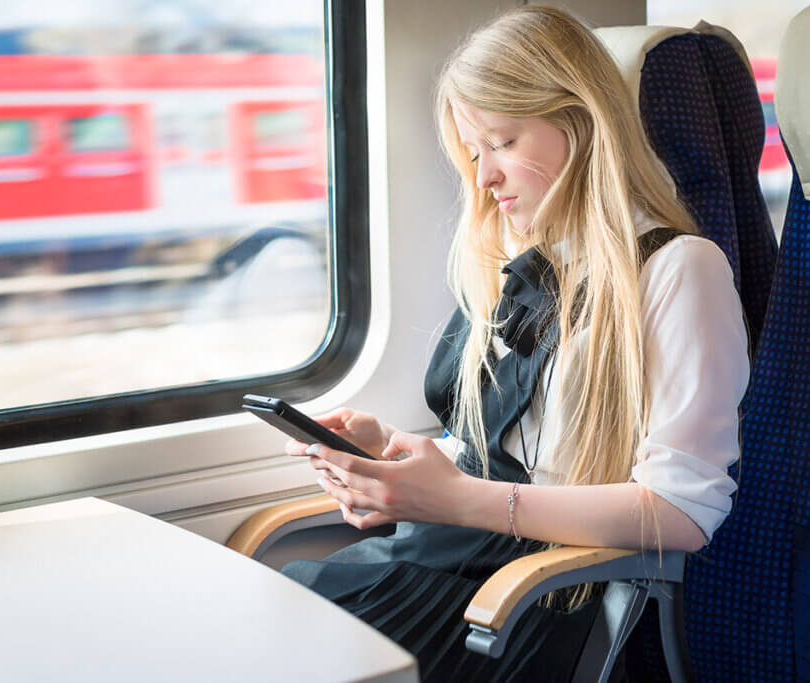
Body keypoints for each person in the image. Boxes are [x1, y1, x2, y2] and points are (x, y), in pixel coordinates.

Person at [280, 5, 749, 681]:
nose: (483, 177)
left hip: (529, 599)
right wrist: (398, 455)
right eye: (474, 154)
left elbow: (680, 511)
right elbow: (516, 451)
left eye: (500, 142)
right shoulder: (533, 264)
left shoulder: (680, 269)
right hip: (454, 558)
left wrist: (456, 500)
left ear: (579, 121)